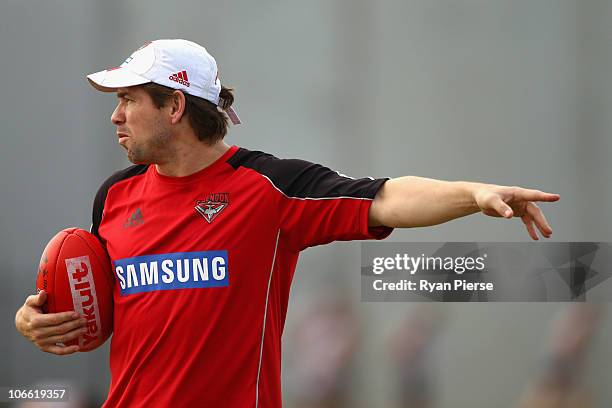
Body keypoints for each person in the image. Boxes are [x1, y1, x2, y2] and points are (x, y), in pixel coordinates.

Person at [14, 39, 559, 407]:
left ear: (175, 106)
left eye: (129, 100)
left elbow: (387, 196)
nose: (115, 115)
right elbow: (101, 311)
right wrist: (38, 321)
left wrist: (475, 193)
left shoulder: (269, 187)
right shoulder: (115, 196)